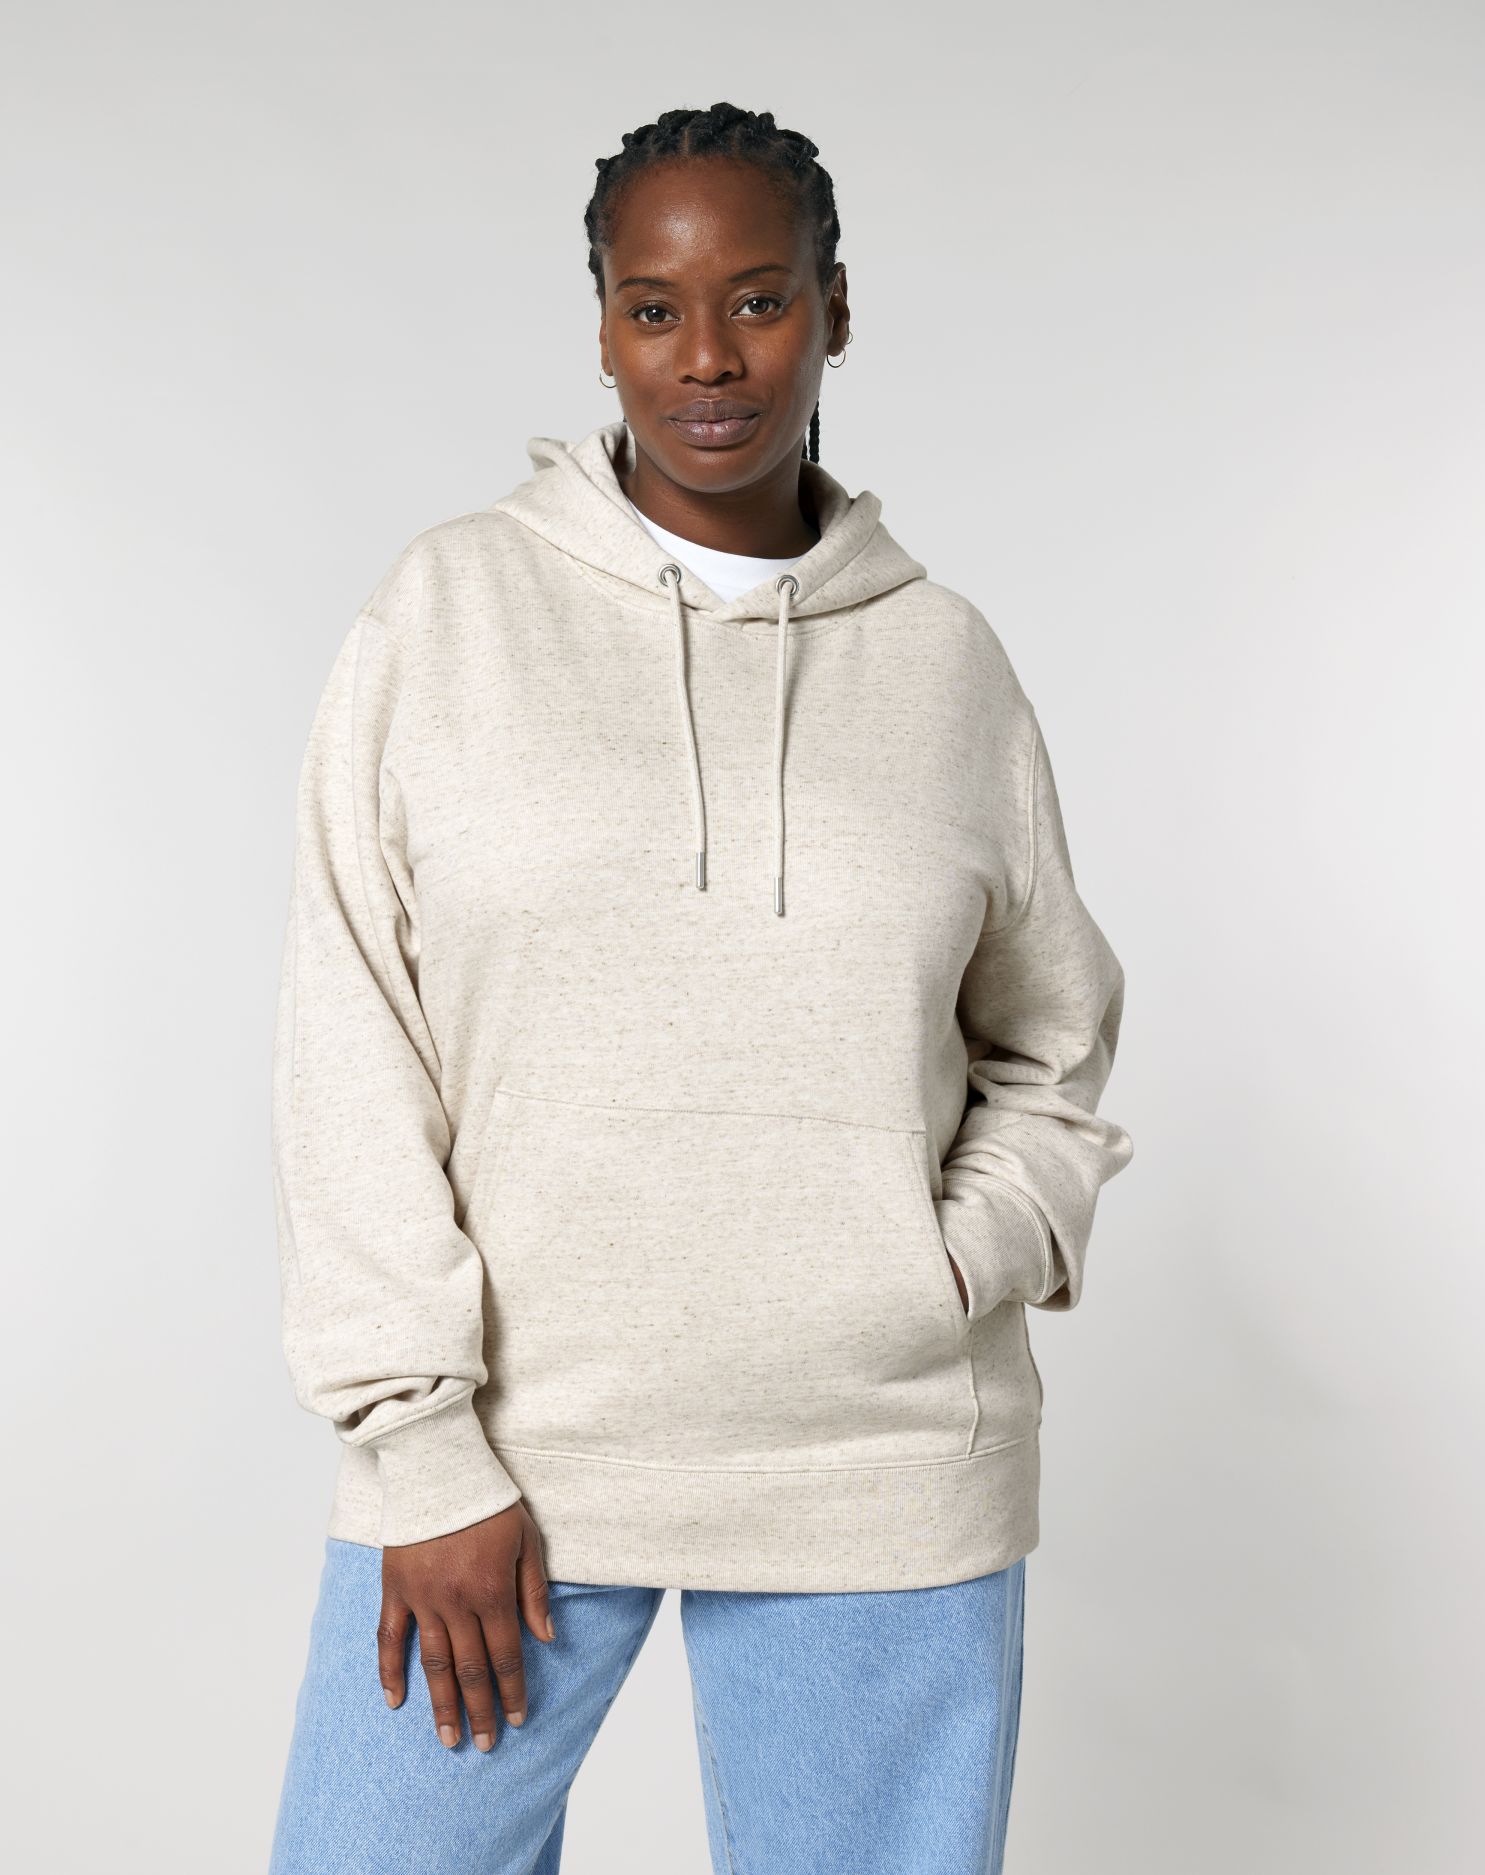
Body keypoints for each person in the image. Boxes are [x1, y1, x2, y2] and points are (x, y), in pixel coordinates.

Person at [267, 102, 1134, 1875]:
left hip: (882, 1462)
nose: (710, 358)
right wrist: (421, 1449)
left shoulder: (947, 662)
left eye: (759, 298)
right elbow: (351, 1030)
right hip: (512, 1455)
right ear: (601, 327)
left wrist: (947, 1262)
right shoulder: (450, 613)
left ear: (835, 309)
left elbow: (1052, 1037)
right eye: (654, 308)